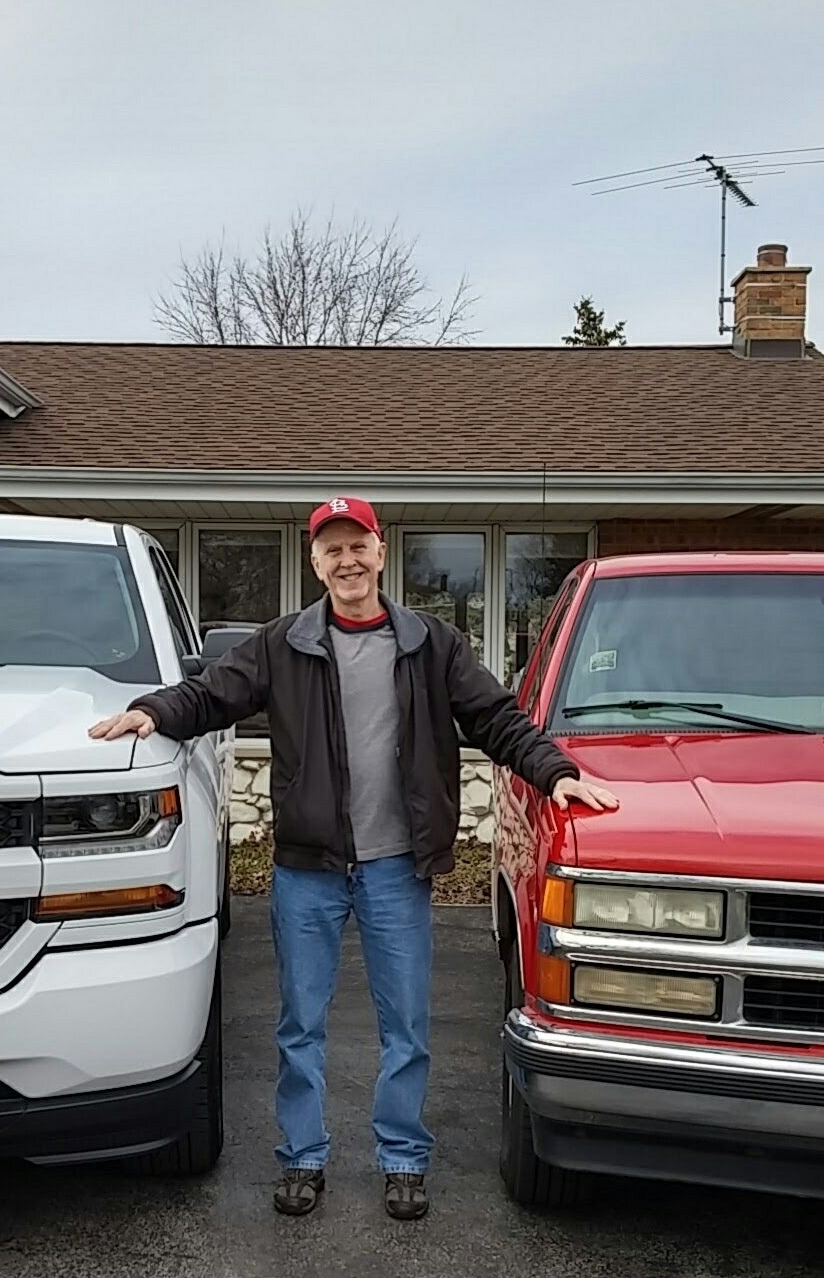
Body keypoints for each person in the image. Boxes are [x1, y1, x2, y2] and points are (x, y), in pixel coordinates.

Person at [89, 496, 617, 1220]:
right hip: (307, 871)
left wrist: (554, 771)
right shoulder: (282, 644)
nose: (348, 561)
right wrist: (153, 711)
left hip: (397, 868)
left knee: (407, 1028)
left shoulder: (431, 644)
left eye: (358, 546)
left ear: (380, 552)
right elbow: (213, 694)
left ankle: (403, 1159)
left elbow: (495, 717)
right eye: (332, 550)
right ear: (316, 563)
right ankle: (302, 1157)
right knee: (299, 1026)